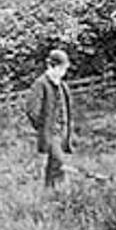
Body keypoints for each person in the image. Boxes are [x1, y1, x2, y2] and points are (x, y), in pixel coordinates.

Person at [24, 49, 74, 189]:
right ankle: (61, 191)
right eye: (61, 68)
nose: (63, 72)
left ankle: (50, 192)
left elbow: (67, 110)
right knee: (59, 162)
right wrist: (43, 126)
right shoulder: (41, 84)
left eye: (65, 69)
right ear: (51, 66)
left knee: (54, 164)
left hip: (62, 132)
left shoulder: (63, 86)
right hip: (50, 133)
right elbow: (32, 109)